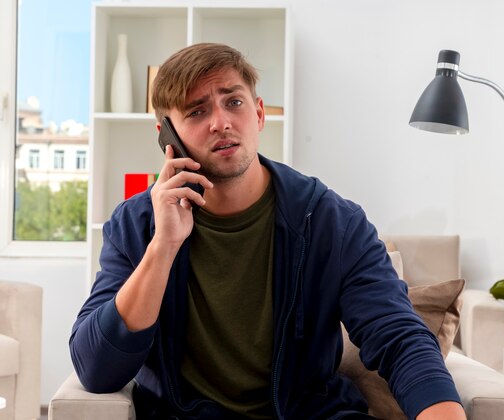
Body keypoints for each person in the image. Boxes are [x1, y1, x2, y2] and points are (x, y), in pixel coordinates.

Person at [70, 43, 465, 420]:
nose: (221, 122)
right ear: (166, 135)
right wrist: (163, 247)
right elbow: (95, 368)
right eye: (196, 112)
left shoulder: (333, 221)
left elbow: (399, 337)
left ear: (258, 114)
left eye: (234, 102)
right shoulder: (136, 226)